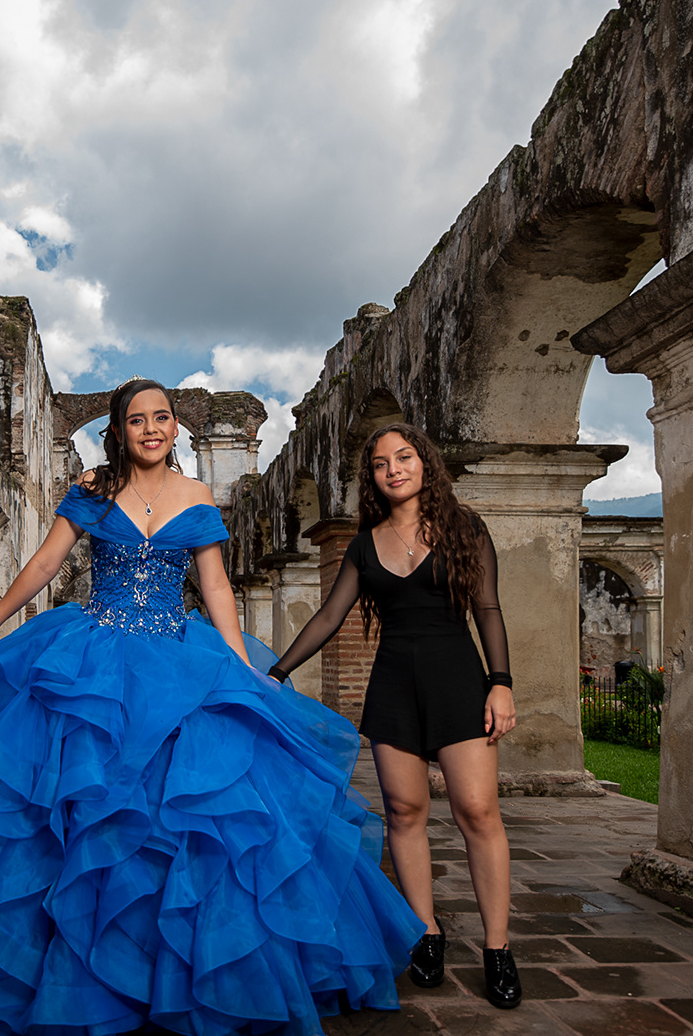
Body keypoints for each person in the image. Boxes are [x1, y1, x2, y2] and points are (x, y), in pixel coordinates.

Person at [0, 379, 424, 1036]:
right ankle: (73, 970)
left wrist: (241, 669)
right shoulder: (93, 487)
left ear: (176, 426)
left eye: (162, 418)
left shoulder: (197, 497)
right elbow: (44, 563)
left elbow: (214, 587)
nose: (151, 428)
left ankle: (167, 971)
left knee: (188, 815)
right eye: (136, 419)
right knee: (77, 813)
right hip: (92, 657)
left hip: (174, 656)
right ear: (118, 430)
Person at [265, 422, 522, 1009]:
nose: (394, 469)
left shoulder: (465, 527)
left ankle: (498, 948)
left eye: (403, 457)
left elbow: (488, 609)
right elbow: (330, 617)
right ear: (372, 478)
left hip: (458, 679)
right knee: (405, 812)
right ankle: (425, 933)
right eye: (381, 464)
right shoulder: (364, 543)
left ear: (424, 462)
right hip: (394, 686)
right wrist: (277, 674)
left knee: (477, 811)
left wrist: (500, 684)